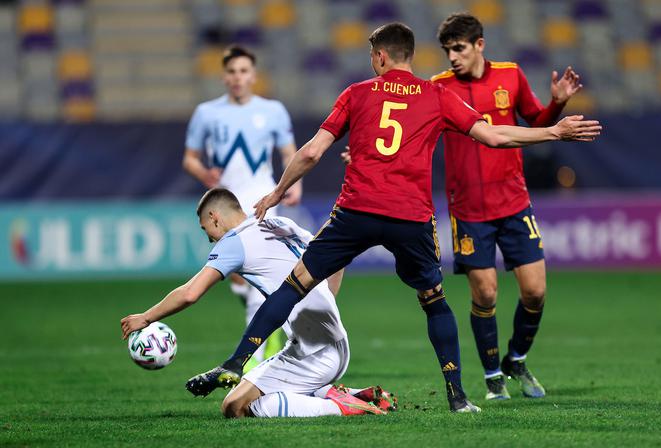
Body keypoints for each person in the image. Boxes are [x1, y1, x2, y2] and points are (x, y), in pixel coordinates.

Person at [184, 22, 600, 414]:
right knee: (434, 302)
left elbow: (311, 151)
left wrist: (276, 192)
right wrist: (553, 132)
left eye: (371, 55)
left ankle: (237, 361)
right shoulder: (435, 95)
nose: (371, 61)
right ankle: (458, 397)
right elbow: (494, 136)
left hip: (356, 210)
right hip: (410, 218)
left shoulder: (357, 93)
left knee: (294, 285)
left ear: (381, 56)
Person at [120, 188, 396, 418]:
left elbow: (191, 292)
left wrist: (146, 317)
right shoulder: (278, 224)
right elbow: (334, 261)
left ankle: (339, 407)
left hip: (315, 354)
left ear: (215, 218)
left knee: (235, 407)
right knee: (264, 389)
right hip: (331, 343)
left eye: (207, 231)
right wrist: (325, 305)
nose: (210, 239)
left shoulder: (234, 243)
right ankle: (348, 393)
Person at [431, 13, 584, 400]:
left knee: (535, 291)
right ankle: (493, 374)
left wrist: (556, 103)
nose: (452, 57)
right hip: (467, 209)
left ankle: (517, 357)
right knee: (485, 294)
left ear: (479, 44)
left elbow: (536, 120)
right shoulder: (438, 88)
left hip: (514, 202)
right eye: (448, 50)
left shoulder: (510, 76)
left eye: (459, 48)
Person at [182, 45, 301, 369]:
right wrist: (202, 172)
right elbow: (189, 158)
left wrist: (293, 184)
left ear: (254, 75)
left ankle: (253, 359)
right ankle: (270, 328)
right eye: (232, 72)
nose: (238, 78)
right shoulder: (207, 113)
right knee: (238, 278)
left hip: (262, 198)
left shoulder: (273, 110)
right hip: (224, 202)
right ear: (224, 77)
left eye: (244, 71)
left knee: (254, 272)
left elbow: (289, 152)